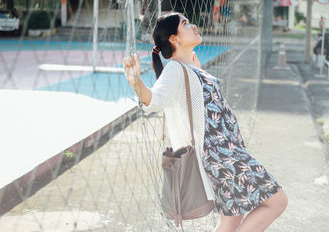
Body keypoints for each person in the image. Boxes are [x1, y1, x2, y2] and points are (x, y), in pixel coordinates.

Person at [123, 12, 287, 232]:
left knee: (232, 218)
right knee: (277, 201)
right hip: (217, 154)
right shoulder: (174, 70)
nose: (194, 26)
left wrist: (198, 70)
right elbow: (154, 100)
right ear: (174, 38)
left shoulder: (190, 67)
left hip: (229, 150)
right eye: (186, 24)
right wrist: (135, 81)